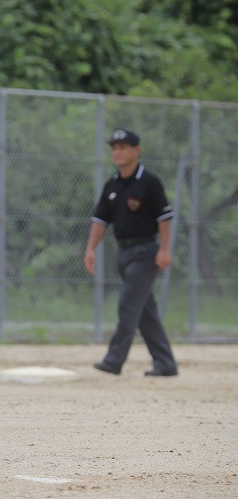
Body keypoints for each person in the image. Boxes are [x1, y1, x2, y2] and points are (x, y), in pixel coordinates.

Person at [84, 128, 179, 377]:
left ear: (136, 151)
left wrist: (165, 250)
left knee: (127, 303)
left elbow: (164, 218)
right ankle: (165, 363)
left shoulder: (149, 182)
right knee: (145, 312)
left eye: (123, 147)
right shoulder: (112, 185)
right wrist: (91, 249)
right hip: (124, 253)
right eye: (114, 148)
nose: (117, 152)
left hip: (145, 252)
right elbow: (100, 220)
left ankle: (114, 360)